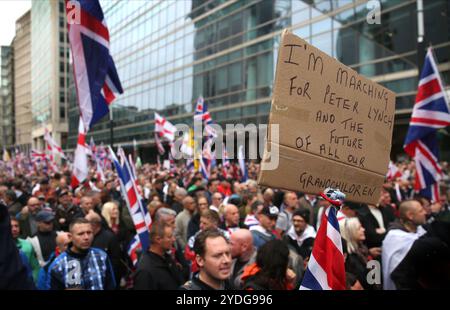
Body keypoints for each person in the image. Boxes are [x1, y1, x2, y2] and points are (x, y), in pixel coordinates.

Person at [45, 218, 116, 290]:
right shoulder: (58, 265)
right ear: (70, 237)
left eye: (89, 232)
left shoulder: (101, 256)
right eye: (80, 234)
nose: (86, 237)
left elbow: (111, 286)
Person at [382, 200, 427, 290]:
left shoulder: (420, 230)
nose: (425, 212)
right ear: (410, 215)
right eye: (421, 211)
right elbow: (399, 274)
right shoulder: (395, 238)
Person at [133, 222, 184, 290]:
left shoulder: (168, 259)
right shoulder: (145, 272)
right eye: (169, 237)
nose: (174, 239)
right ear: (158, 239)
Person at [0, 203, 35, 289]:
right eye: (12, 226)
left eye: (16, 226)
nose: (14, 229)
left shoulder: (20, 253)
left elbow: (33, 271)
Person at [340, 217, 380, 290]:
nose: (363, 229)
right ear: (350, 233)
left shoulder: (362, 250)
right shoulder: (351, 261)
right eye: (359, 228)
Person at [85, 211, 123, 288]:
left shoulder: (110, 238)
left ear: (94, 225)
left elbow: (116, 263)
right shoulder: (87, 237)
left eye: (85, 223)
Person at [11, 217, 40, 282]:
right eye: (11, 227)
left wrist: (32, 281)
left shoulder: (27, 245)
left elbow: (35, 267)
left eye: (16, 226)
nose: (14, 229)